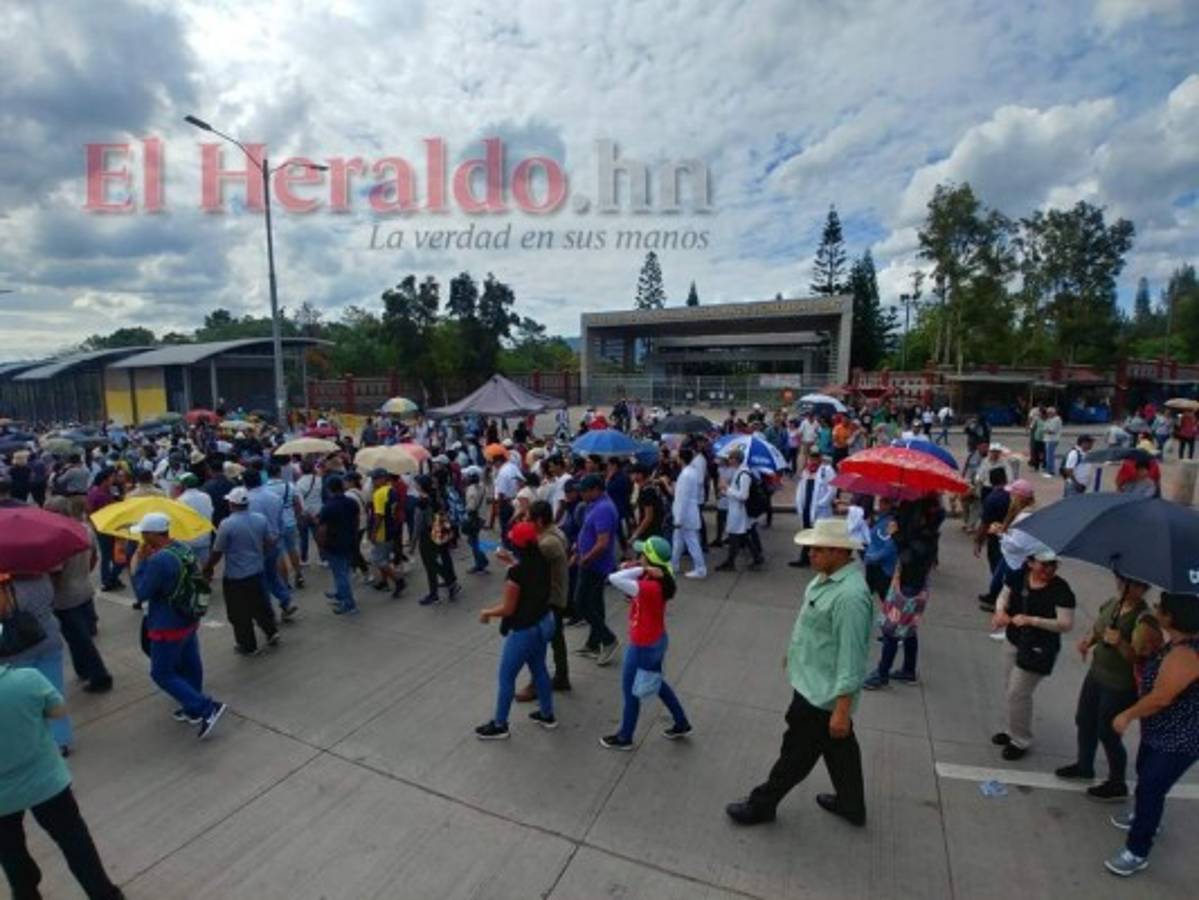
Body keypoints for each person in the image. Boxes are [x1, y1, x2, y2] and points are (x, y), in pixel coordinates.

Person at [726, 518, 872, 828]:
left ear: (838, 551)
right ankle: (851, 804)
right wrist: (793, 657)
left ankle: (762, 805)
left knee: (795, 754)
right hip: (809, 679)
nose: (810, 554)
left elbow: (852, 657)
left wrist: (842, 709)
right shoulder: (825, 578)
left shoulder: (850, 598)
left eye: (817, 549)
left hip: (821, 695)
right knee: (840, 749)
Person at [0, 645, 124, 900]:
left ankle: (26, 893)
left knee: (10, 851)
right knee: (73, 839)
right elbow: (58, 712)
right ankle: (102, 893)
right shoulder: (27, 680)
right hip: (47, 782)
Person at [1104, 591, 1199, 877]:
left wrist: (1127, 715)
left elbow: (1161, 697)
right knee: (1146, 774)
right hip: (1160, 731)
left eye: (1161, 607)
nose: (1156, 608)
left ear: (1171, 617)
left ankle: (1137, 850)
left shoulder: (1185, 654)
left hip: (1180, 739)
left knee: (1150, 787)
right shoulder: (1177, 643)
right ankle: (1145, 817)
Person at [130, 513, 226, 738]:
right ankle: (193, 707)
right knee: (191, 661)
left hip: (167, 623)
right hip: (187, 617)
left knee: (161, 672)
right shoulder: (181, 548)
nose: (142, 538)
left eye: (144, 533)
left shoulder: (158, 560)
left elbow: (142, 592)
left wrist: (138, 565)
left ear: (153, 534)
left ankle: (205, 707)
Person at [1055, 573, 1149, 802]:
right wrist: (1089, 641)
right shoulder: (1113, 604)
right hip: (1096, 675)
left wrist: (1121, 643)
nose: (1125, 586)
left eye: (1133, 583)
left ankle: (1117, 783)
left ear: (1143, 588)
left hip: (1119, 685)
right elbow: (1099, 628)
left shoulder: (1144, 620)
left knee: (1107, 733)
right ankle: (1084, 765)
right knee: (1084, 720)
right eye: (1122, 580)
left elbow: (1138, 658)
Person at [600, 536, 692, 750]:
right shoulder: (665, 578)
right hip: (657, 640)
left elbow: (614, 578)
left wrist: (640, 569)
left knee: (630, 689)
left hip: (642, 644)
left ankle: (625, 737)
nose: (638, 556)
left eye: (642, 554)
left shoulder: (649, 587)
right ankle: (681, 722)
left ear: (650, 561)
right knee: (656, 682)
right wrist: (643, 568)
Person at [475, 522, 557, 740]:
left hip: (523, 631)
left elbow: (508, 608)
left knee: (506, 677)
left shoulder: (517, 574)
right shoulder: (541, 560)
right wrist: (511, 563)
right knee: (539, 669)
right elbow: (529, 573)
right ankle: (547, 714)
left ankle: (500, 724)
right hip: (543, 624)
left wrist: (486, 612)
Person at [990, 550, 1076, 760]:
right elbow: (1004, 595)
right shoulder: (1018, 576)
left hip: (1039, 647)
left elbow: (1065, 624)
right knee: (1010, 687)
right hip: (1014, 639)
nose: (1049, 569)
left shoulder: (1061, 590)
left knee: (1018, 692)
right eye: (1044, 564)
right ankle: (1012, 730)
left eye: (1053, 565)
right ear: (1030, 563)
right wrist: (1000, 612)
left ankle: (1020, 739)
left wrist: (1032, 620)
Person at [44, 498, 112, 694]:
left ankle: (100, 676)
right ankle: (83, 669)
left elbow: (56, 573)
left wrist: (49, 595)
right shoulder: (84, 528)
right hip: (84, 588)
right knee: (79, 636)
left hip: (66, 598)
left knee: (80, 639)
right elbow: (94, 557)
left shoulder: (56, 537)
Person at [204, 486, 281, 652]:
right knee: (260, 605)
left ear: (232, 504)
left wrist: (208, 568)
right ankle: (271, 631)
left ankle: (247, 644)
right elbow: (268, 542)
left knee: (239, 612)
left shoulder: (227, 524)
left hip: (236, 575)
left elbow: (218, 551)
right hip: (257, 569)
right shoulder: (260, 519)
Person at [515, 500, 571, 701]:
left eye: (529, 518)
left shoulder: (547, 543)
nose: (525, 521)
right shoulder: (553, 532)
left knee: (538, 643)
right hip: (556, 595)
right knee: (556, 638)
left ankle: (537, 684)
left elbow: (528, 567)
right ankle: (562, 676)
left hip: (550, 598)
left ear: (539, 520)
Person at [573, 474, 622, 665]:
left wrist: (585, 558)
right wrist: (577, 548)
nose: (581, 494)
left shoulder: (604, 509)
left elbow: (602, 543)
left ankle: (608, 640)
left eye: (584, 491)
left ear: (596, 490)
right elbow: (588, 531)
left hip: (594, 565)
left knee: (581, 604)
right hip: (590, 562)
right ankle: (594, 643)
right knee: (595, 603)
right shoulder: (596, 505)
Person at [412, 475, 461, 607]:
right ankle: (442, 588)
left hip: (427, 535)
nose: (414, 485)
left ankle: (446, 586)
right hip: (440, 531)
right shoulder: (436, 496)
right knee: (434, 563)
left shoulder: (421, 502)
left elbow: (417, 525)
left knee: (430, 564)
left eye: (416, 483)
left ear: (421, 486)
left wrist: (412, 543)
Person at [316, 475, 361, 615]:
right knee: (343, 571)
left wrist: (321, 545)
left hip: (334, 544)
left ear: (329, 489)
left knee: (340, 575)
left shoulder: (328, 507)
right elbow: (357, 520)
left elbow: (322, 529)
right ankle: (341, 594)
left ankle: (349, 604)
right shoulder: (351, 502)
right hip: (350, 541)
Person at [715, 447, 764, 571]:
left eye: (731, 458)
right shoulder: (739, 471)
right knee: (742, 535)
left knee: (735, 535)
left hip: (739, 511)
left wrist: (727, 488)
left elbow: (743, 495)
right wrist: (725, 492)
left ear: (736, 460)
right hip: (735, 509)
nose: (729, 460)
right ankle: (756, 557)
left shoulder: (744, 475)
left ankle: (730, 562)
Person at [789, 449, 835, 568]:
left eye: (816, 457)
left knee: (820, 536)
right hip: (807, 507)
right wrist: (799, 503)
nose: (813, 460)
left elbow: (832, 489)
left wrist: (822, 503)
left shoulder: (827, 470)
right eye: (811, 457)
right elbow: (801, 489)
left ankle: (824, 560)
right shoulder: (806, 471)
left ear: (820, 458)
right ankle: (805, 559)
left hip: (820, 509)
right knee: (807, 533)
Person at [669, 447, 707, 578]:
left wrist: (679, 519)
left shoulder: (685, 475)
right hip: (687, 512)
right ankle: (674, 565)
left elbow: (683, 498)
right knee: (678, 541)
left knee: (691, 542)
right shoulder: (691, 471)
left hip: (685, 514)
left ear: (681, 458)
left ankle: (700, 568)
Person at [367, 470, 407, 595]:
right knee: (383, 557)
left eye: (375, 479)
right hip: (392, 527)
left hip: (382, 531)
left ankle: (398, 580)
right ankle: (384, 581)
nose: (373, 482)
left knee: (377, 559)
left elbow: (379, 516)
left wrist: (374, 532)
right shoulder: (391, 490)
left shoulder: (379, 493)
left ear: (383, 479)